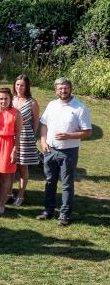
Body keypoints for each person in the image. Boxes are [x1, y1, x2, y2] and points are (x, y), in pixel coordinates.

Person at [37, 78, 92, 226]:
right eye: (60, 88)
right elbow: (43, 124)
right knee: (50, 181)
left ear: (71, 88)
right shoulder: (52, 105)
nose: (63, 91)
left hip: (68, 152)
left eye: (66, 88)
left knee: (67, 184)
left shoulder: (80, 108)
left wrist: (69, 136)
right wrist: (43, 141)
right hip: (50, 150)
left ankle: (65, 214)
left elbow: (87, 132)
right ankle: (48, 211)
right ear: (56, 90)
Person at [11, 75, 40, 207]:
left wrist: (30, 137)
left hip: (25, 136)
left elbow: (35, 123)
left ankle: (21, 195)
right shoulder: (11, 99)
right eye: (17, 85)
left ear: (27, 86)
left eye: (22, 85)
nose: (19, 88)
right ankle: (8, 192)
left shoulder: (32, 102)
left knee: (22, 167)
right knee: (9, 166)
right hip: (9, 135)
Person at [0, 87, 18, 214]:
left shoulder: (16, 113)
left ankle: (2, 204)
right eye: (1, 99)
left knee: (6, 175)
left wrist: (15, 150)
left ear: (10, 99)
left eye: (6, 98)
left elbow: (19, 133)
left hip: (8, 144)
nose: (3, 101)